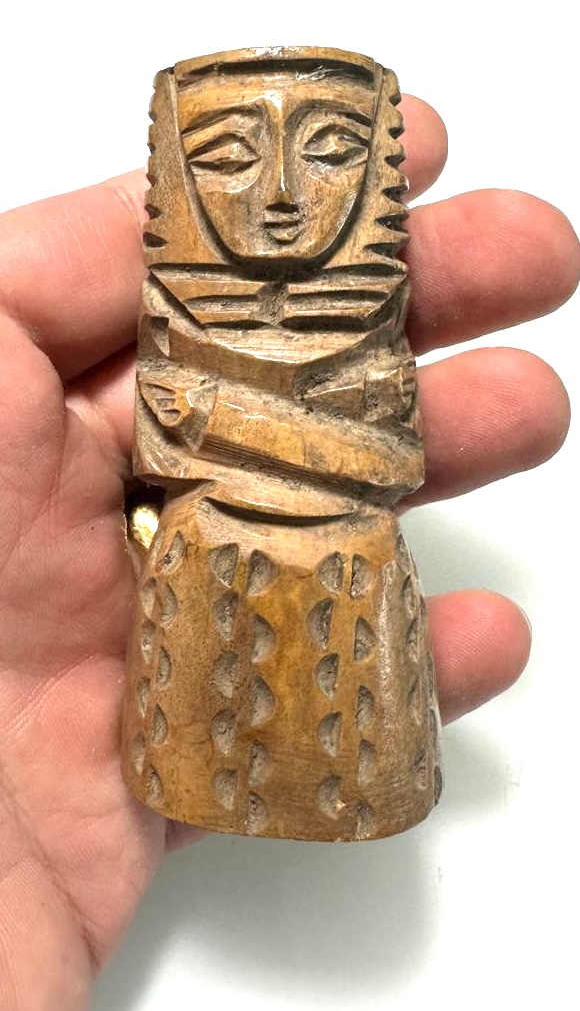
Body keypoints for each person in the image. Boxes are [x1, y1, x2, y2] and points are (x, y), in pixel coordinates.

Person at [0, 93, 577, 1010]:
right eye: (229, 155)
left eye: (331, 149)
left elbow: (386, 461)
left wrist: (227, 419)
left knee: (354, 739)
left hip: (350, 573)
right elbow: (169, 450)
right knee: (201, 734)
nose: (280, 194)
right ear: (178, 173)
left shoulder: (370, 326)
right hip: (208, 567)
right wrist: (271, 435)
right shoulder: (180, 324)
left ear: (374, 170)